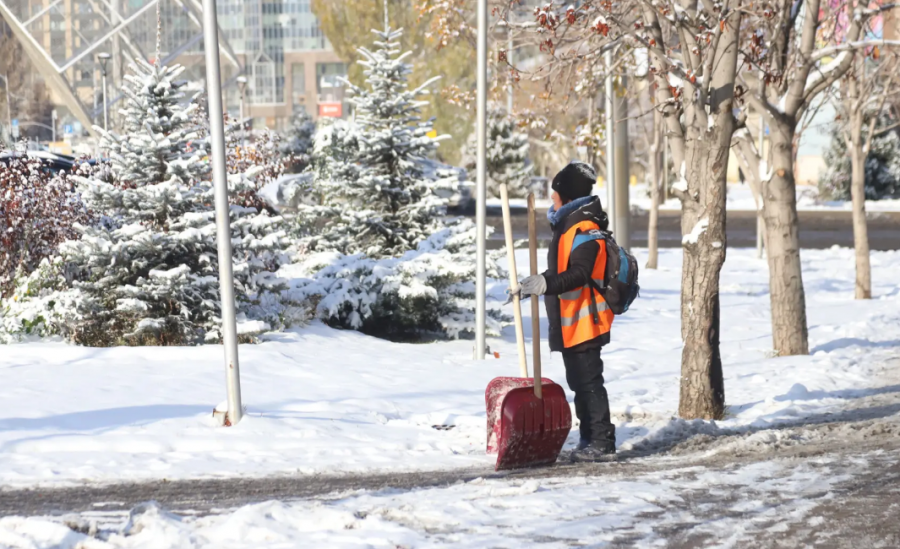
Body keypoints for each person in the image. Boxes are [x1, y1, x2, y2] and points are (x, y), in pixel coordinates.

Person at [513, 160, 617, 462]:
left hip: (586, 319)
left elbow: (579, 274)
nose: (551, 198)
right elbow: (560, 269)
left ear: (567, 196)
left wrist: (545, 284)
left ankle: (602, 441)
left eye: (555, 193)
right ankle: (589, 439)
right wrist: (531, 284)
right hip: (572, 320)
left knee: (588, 382)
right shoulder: (569, 225)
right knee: (579, 383)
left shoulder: (585, 229)